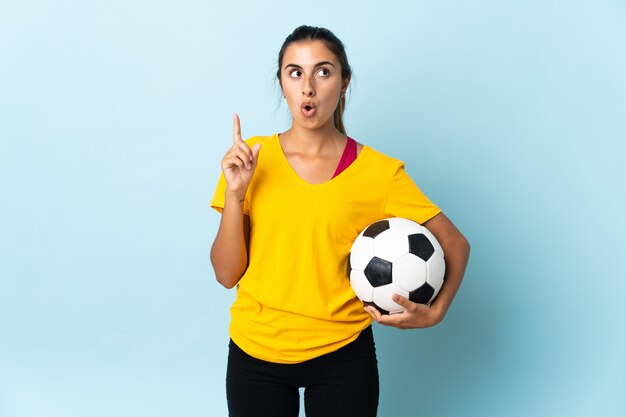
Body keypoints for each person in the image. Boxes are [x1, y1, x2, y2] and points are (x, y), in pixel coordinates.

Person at [210, 25, 470, 417]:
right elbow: (227, 274)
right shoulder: (249, 162)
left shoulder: (380, 174)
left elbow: (455, 243)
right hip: (256, 352)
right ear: (282, 84)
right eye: (295, 73)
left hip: (343, 357)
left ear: (344, 82)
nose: (308, 87)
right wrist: (235, 193)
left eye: (323, 71)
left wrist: (436, 311)